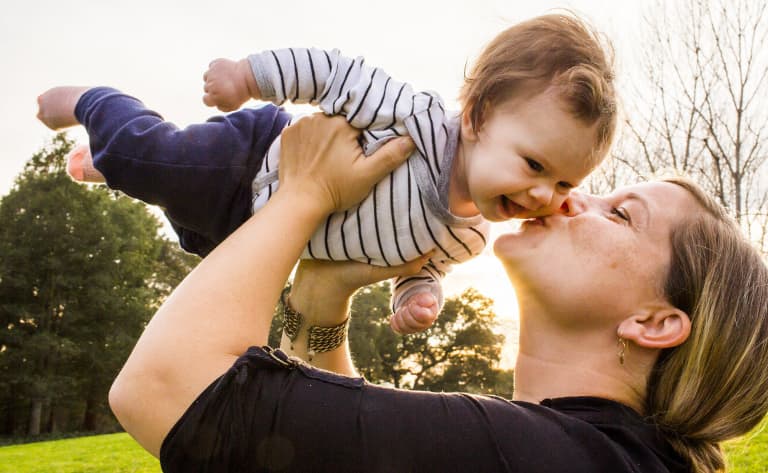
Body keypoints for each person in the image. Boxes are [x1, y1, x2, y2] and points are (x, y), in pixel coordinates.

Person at [104, 114, 768, 473]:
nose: (578, 199)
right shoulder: (595, 455)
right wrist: (323, 305)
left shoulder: (558, 457)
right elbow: (335, 442)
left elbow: (167, 386)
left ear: (657, 321)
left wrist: (306, 193)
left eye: (621, 214)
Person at [34, 13, 617, 337]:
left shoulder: (467, 239)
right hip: (255, 159)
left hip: (256, 232)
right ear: (479, 117)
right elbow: (336, 73)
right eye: (535, 165)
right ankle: (93, 101)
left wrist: (418, 297)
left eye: (566, 184)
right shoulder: (413, 119)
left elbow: (420, 267)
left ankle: (110, 166)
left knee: (174, 210)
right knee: (156, 161)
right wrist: (249, 75)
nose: (545, 194)